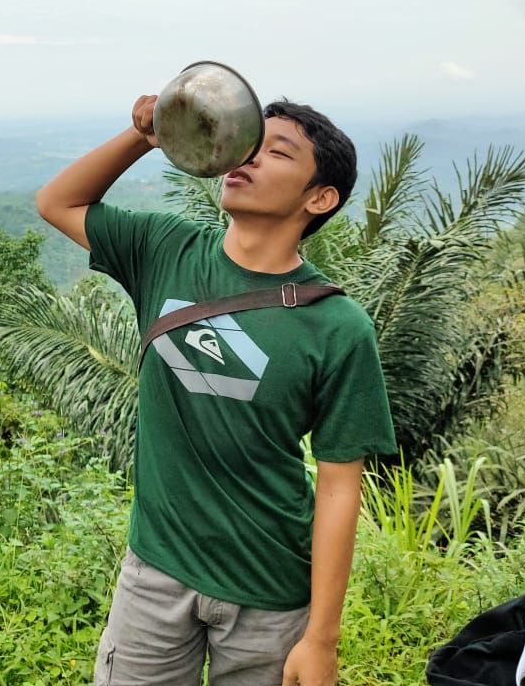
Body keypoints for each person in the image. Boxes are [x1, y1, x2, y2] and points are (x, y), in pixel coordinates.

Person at [36, 93, 397, 686]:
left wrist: (321, 640)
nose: (247, 158)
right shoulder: (165, 249)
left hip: (268, 592)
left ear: (320, 198)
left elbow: (338, 487)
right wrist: (147, 136)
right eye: (247, 144)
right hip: (155, 574)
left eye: (276, 152)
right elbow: (58, 202)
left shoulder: (338, 327)